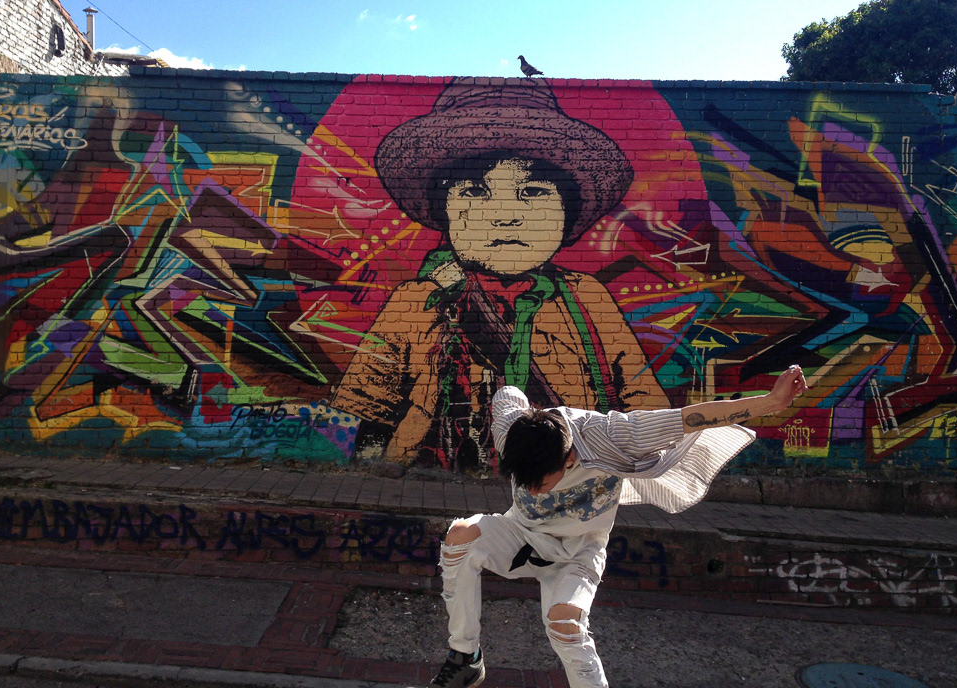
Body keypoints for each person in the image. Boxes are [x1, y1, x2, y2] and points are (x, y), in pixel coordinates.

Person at [332, 78, 667, 472]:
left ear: (567, 213)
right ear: (446, 213)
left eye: (534, 192)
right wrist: (372, 477)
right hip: (434, 470)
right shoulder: (415, 301)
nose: (506, 215)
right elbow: (368, 406)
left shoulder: (587, 297)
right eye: (475, 192)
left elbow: (643, 402)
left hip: (571, 475)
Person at [428, 364, 809, 688]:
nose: (531, 489)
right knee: (461, 536)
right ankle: (466, 658)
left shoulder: (614, 436)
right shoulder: (513, 430)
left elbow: (687, 418)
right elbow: (507, 396)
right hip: (522, 535)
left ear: (570, 456)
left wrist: (770, 404)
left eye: (540, 482)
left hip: (579, 550)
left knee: (565, 625)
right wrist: (512, 391)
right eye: (523, 481)